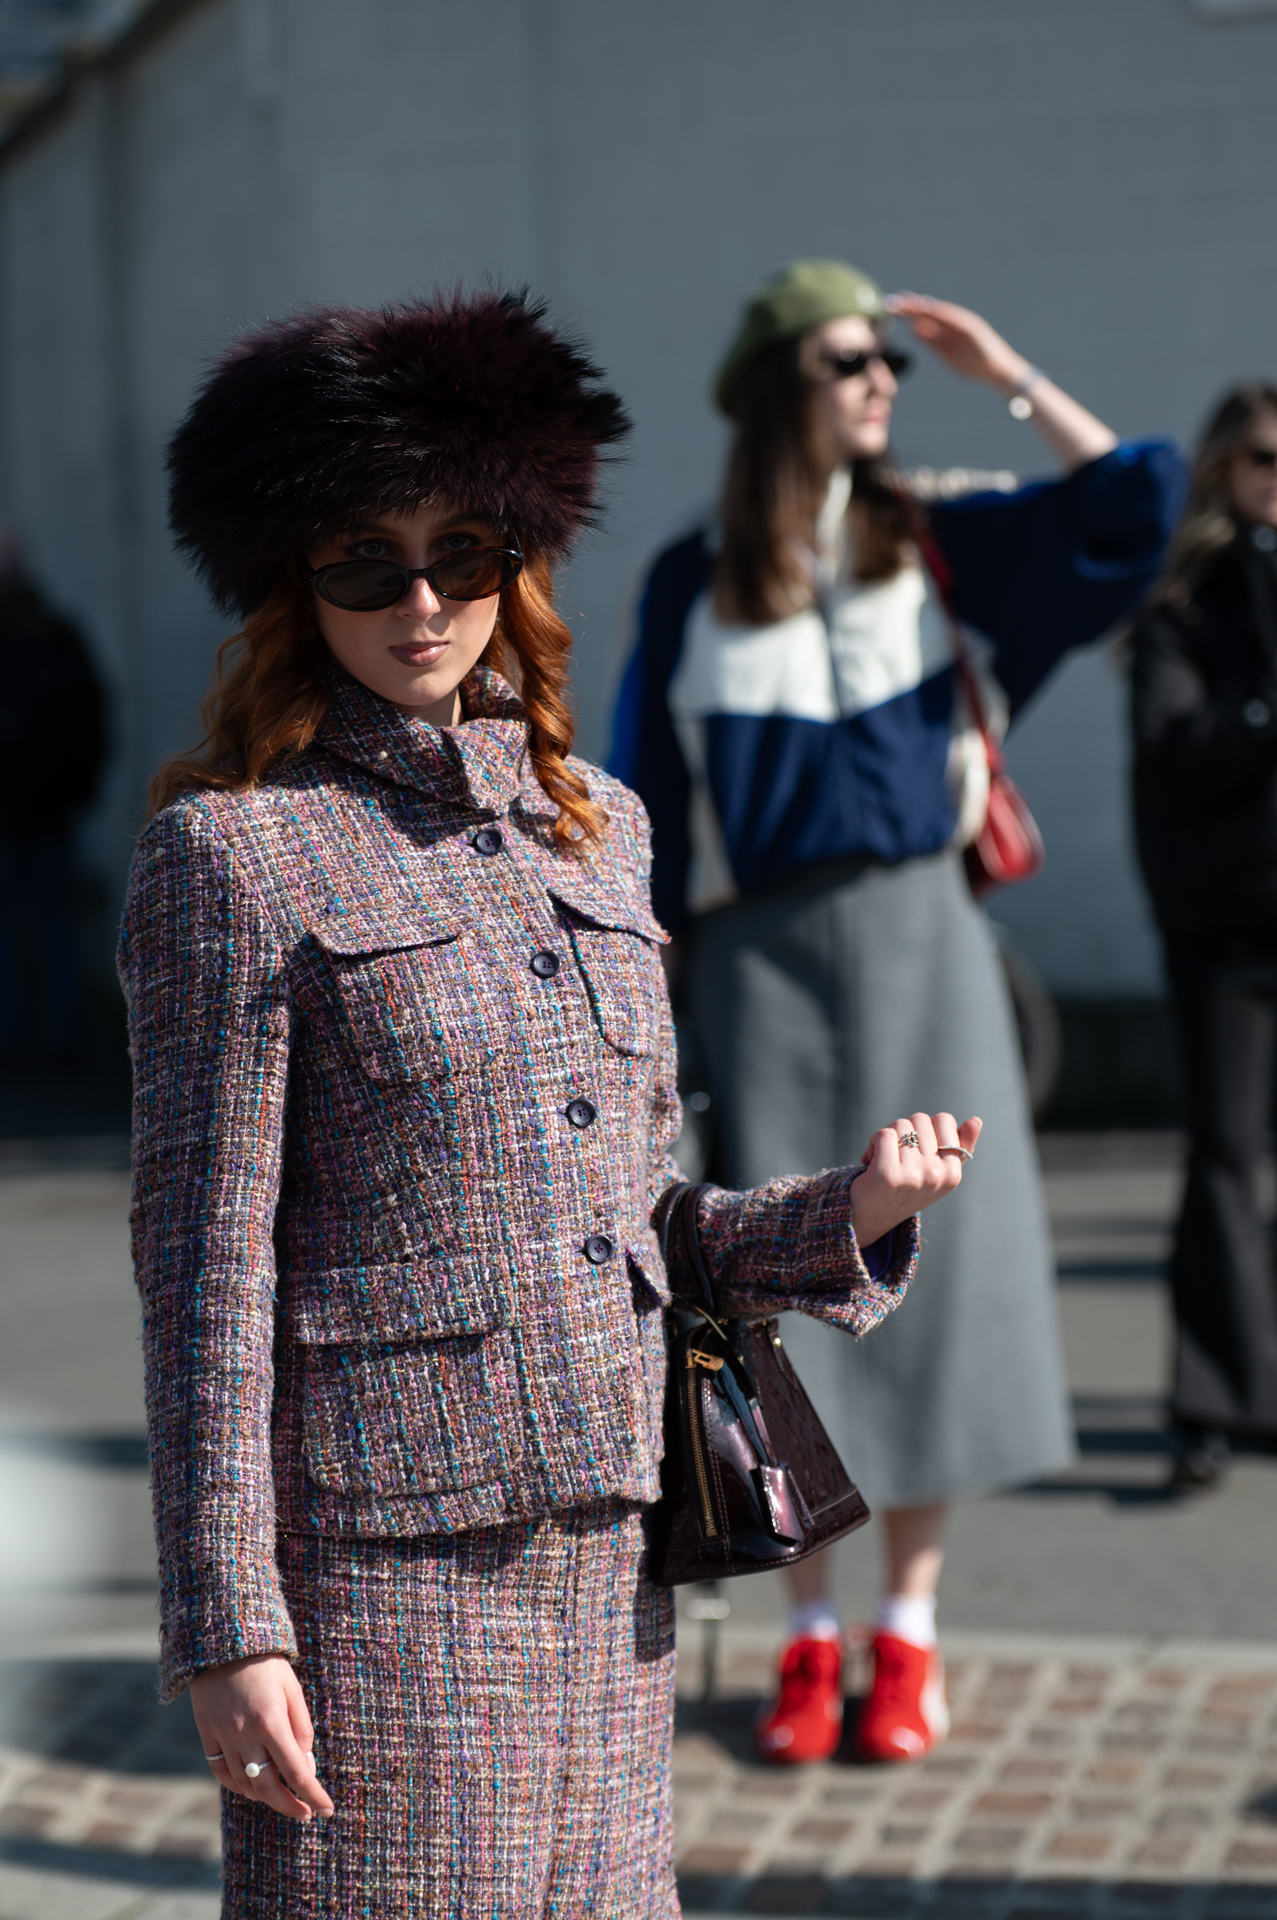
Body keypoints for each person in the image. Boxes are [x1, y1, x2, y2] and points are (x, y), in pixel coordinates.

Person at [120, 288, 979, 1917]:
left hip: (612, 1549)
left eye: (462, 550)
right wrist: (227, 1624)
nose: (421, 597)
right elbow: (204, 1279)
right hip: (382, 1570)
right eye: (365, 560)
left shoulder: (603, 832)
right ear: (293, 582)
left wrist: (844, 1214)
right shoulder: (232, 860)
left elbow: (635, 1229)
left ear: (520, 557)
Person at [610, 260, 1186, 1765]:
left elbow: (1139, 506)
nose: (880, 380)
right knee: (779, 1294)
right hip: (757, 960)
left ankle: (907, 1635)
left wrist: (1003, 366)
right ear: (774, 385)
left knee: (942, 1290)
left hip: (929, 939)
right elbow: (639, 809)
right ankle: (807, 1634)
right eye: (849, 359)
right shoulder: (690, 575)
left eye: (889, 363)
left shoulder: (933, 544)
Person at [1129, 382, 1277, 1493]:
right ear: (1227, 468)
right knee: (1223, 1158)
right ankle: (1212, 1401)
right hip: (1225, 921)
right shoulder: (1186, 601)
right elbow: (1171, 753)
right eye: (1266, 459)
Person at [0, 537, 107, 1065]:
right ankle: (48, 1032)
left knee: (46, 920)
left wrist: (77, 788)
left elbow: (90, 719)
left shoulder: (52, 638)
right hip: (48, 807)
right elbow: (93, 718)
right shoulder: (55, 635)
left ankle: (44, 1033)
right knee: (49, 921)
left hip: (41, 808)